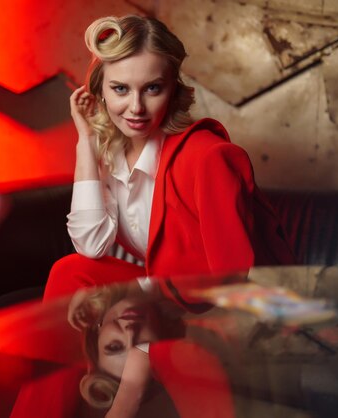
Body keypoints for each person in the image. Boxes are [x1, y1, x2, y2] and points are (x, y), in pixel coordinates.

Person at [44, 14, 294, 303]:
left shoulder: (208, 157)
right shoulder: (111, 153)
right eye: (121, 89)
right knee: (71, 272)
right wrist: (86, 141)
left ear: (172, 90)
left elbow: (233, 284)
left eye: (152, 88)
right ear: (100, 91)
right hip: (166, 296)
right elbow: (90, 246)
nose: (136, 108)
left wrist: (148, 340)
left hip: (212, 311)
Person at [73, 284, 235, 418]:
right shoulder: (196, 294)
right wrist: (128, 397)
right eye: (144, 343)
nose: (130, 332)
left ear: (97, 333)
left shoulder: (80, 280)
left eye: (114, 346)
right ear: (165, 336)